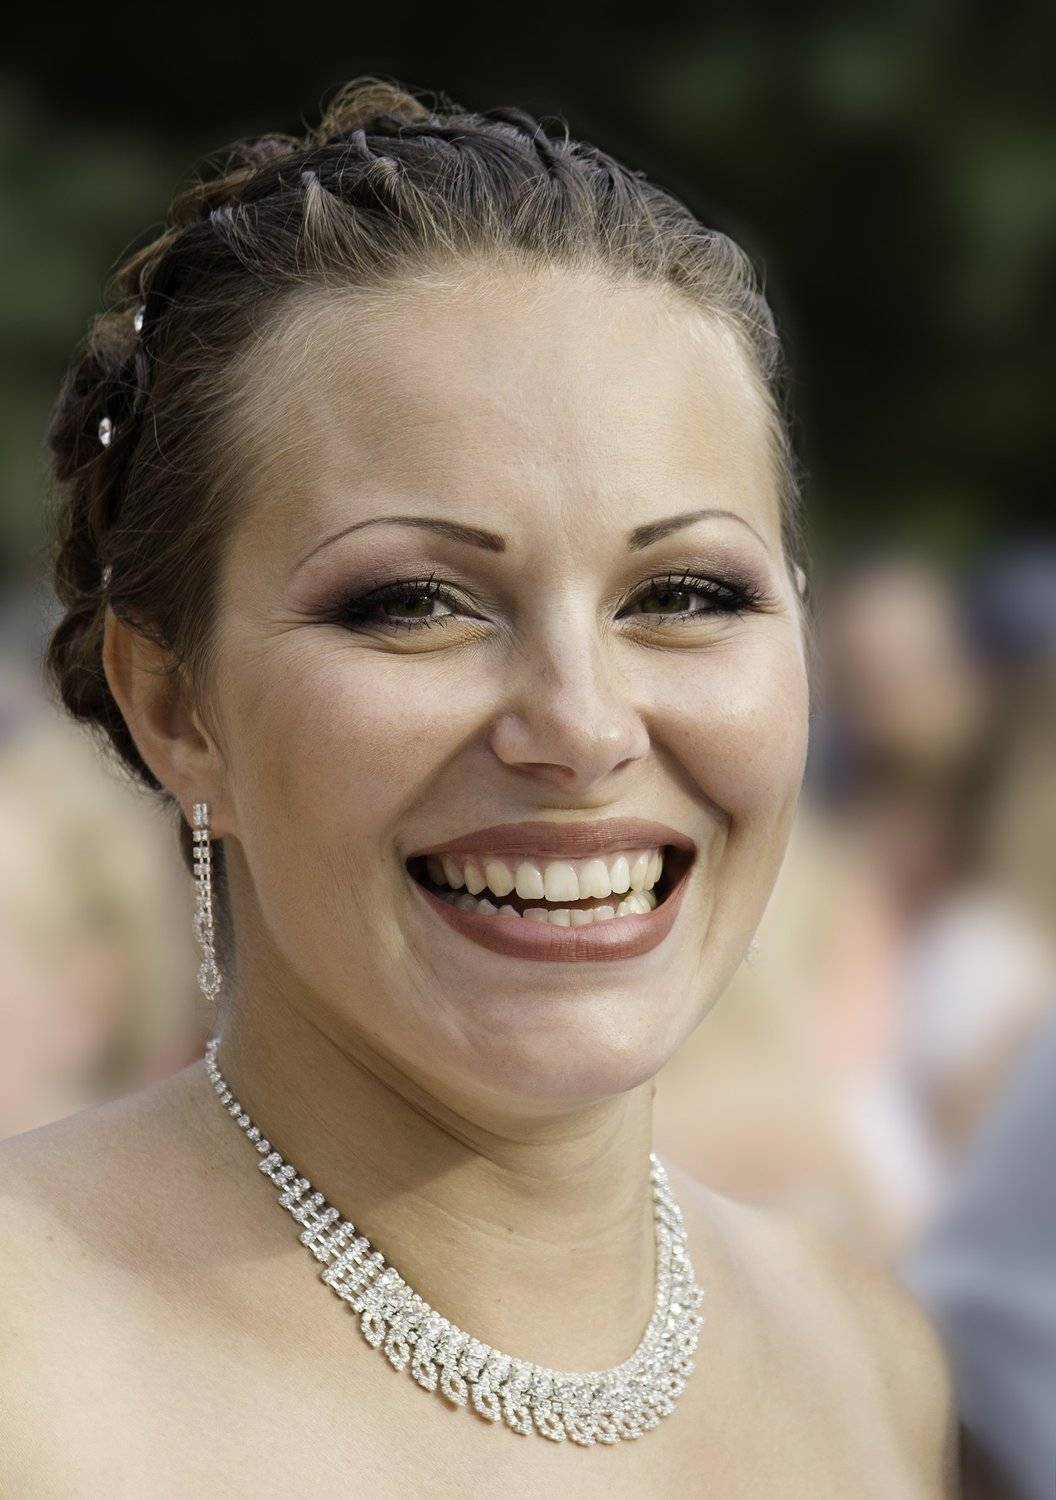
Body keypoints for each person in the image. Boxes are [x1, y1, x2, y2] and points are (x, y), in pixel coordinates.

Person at [0, 78, 957, 1494]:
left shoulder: (875, 1370)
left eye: (683, 593)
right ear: (175, 708)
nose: (581, 727)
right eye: (413, 603)